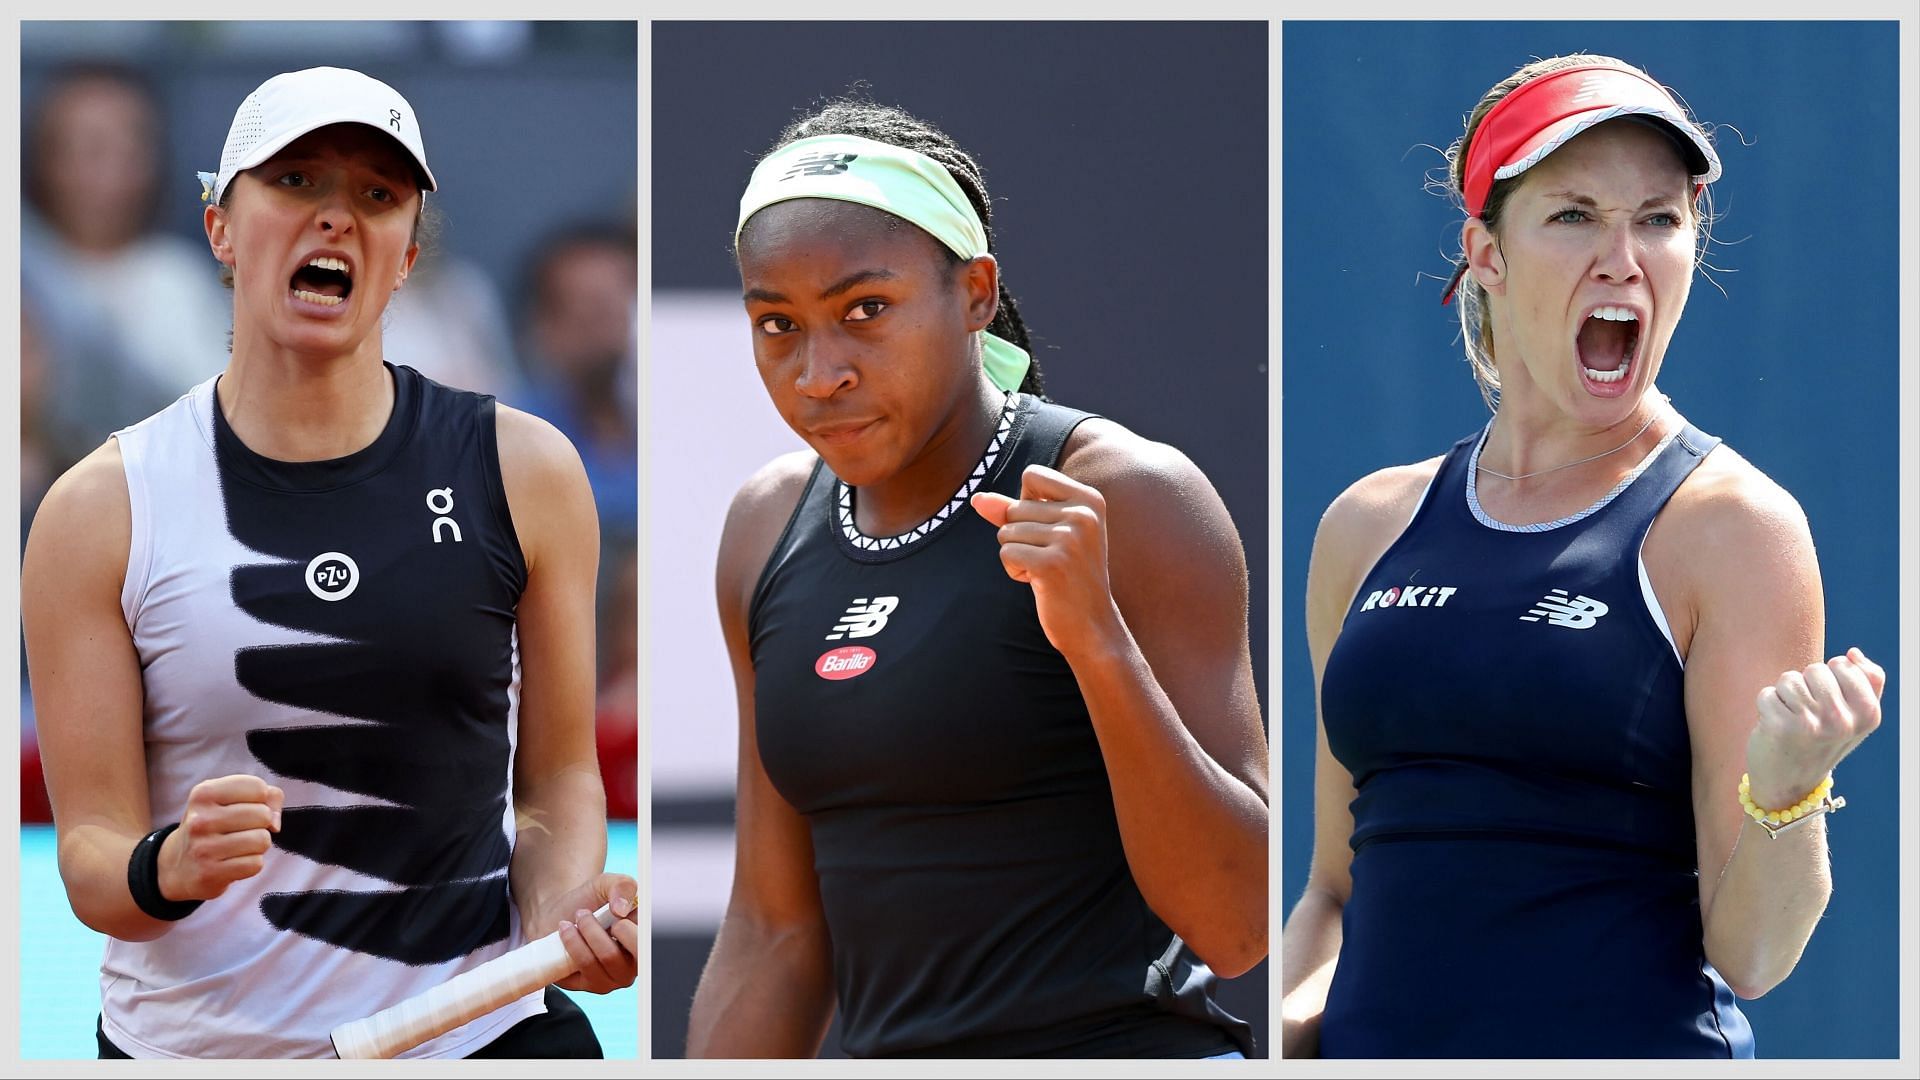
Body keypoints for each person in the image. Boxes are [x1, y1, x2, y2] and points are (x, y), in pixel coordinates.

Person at [21, 66, 637, 1059]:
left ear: (407, 255)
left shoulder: (525, 469)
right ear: (221, 228)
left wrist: (569, 917)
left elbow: (559, 777)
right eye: (298, 182)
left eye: (377, 196)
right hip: (195, 1049)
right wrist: (168, 865)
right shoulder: (99, 509)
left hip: (478, 1034)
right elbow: (93, 863)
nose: (337, 218)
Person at [1279, 55, 1886, 1058]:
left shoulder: (1734, 530)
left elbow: (1756, 954)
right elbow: (1334, 891)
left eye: (1658, 218)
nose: (1624, 258)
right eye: (1574, 216)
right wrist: (1295, 1040)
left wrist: (1786, 791)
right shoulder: (1365, 525)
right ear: (1486, 254)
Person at [685, 99, 1269, 1059]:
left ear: (976, 294)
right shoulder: (765, 527)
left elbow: (1238, 922)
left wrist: (1097, 645)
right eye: (777, 324)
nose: (819, 370)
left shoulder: (1128, 494)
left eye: (864, 310)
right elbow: (774, 931)